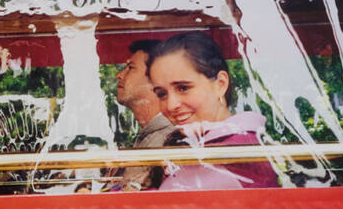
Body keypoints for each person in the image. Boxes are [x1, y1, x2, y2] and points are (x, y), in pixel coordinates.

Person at [147, 32, 280, 190]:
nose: (170, 105)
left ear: (220, 84)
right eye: (162, 94)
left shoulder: (237, 152)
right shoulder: (202, 144)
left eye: (183, 88)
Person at [106, 39, 175, 191]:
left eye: (130, 68)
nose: (119, 75)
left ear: (156, 81)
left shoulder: (165, 140)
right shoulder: (151, 135)